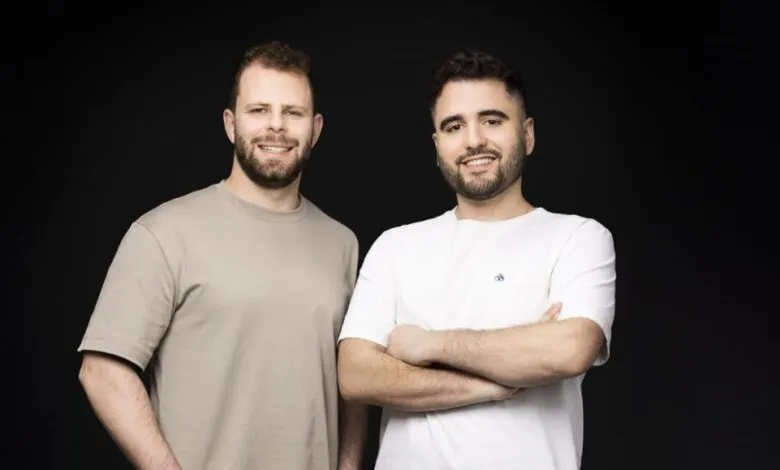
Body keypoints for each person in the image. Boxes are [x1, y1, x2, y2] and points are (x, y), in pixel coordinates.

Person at [77, 41, 367, 470]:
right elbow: (101, 372)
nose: (276, 126)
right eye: (259, 110)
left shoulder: (343, 244)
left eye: (293, 112)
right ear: (231, 124)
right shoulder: (163, 233)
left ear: (316, 128)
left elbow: (351, 387)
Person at [336, 49, 616, 470]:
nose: (473, 141)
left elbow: (569, 350)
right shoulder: (396, 246)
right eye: (454, 126)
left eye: (492, 120)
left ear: (527, 134)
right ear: (437, 146)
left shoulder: (578, 238)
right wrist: (495, 384)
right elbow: (357, 376)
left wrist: (428, 345)